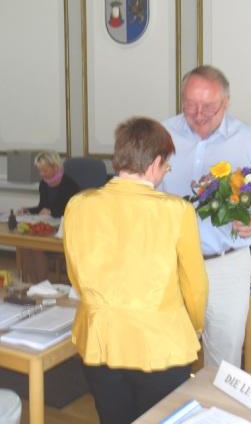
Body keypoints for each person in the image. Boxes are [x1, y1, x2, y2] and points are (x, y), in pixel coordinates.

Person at [63, 117, 208, 424]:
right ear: (155, 162)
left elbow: (75, 273)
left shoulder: (78, 204)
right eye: (166, 166)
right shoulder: (176, 211)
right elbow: (194, 285)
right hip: (160, 344)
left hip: (100, 338)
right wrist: (193, 324)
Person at [160, 65, 251, 368]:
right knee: (167, 359)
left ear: (226, 103)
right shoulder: (161, 136)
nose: (198, 113)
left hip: (225, 266)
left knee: (223, 365)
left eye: (208, 106)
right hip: (169, 265)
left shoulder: (250, 141)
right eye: (190, 104)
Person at [20, 150, 79, 282]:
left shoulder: (69, 185)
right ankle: (34, 284)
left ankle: (42, 284)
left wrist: (52, 212)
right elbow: (43, 207)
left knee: (35, 245)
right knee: (25, 244)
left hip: (64, 230)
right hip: (48, 226)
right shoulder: (44, 184)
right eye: (39, 171)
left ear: (55, 167)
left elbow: (73, 210)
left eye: (45, 171)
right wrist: (29, 210)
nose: (42, 174)